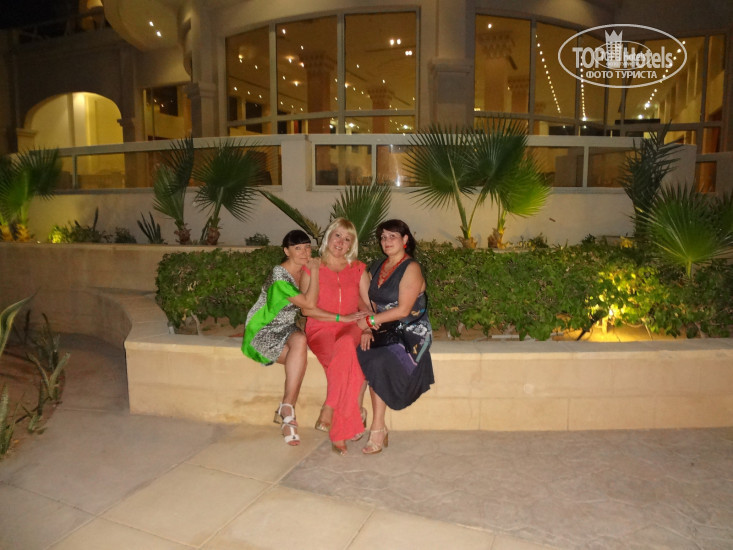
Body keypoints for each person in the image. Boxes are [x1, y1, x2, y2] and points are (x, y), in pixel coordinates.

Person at [356, 219, 434, 454]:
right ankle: (355, 412)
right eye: (383, 237)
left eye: (393, 236)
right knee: (357, 350)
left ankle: (378, 427)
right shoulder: (377, 266)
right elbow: (366, 299)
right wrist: (368, 324)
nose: (386, 241)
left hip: (410, 331)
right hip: (383, 327)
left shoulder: (411, 268)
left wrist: (370, 322)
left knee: (377, 360)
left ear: (405, 239)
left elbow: (403, 310)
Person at [241, 230, 320, 446]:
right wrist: (315, 272)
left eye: (307, 247)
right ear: (286, 251)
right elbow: (309, 304)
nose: (304, 252)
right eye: (297, 248)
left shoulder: (303, 270)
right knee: (299, 359)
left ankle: (286, 408)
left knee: (300, 341)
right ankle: (288, 412)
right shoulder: (279, 275)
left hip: (286, 327)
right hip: (263, 328)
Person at [299, 218, 370, 456]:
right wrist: (341, 318)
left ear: (352, 245)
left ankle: (330, 410)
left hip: (351, 327)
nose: (341, 242)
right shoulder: (312, 267)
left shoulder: (358, 268)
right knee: (347, 366)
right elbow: (306, 310)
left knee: (347, 344)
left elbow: (368, 304)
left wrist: (367, 327)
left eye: (347, 239)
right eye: (337, 235)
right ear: (328, 236)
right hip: (321, 328)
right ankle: (346, 424)